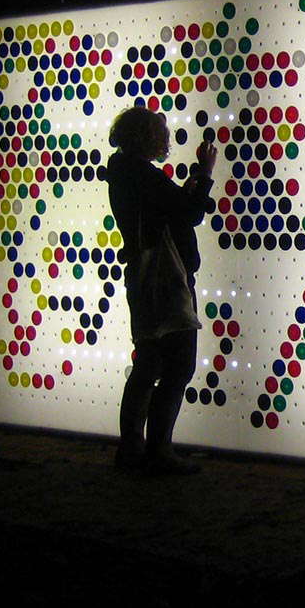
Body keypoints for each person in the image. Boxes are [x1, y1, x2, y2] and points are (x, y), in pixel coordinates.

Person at [106, 106, 216, 475]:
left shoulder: (123, 175)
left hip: (142, 277)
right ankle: (158, 450)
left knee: (149, 362)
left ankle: (132, 448)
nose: (166, 139)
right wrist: (205, 172)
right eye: (160, 132)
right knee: (179, 364)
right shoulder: (145, 177)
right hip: (167, 281)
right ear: (148, 138)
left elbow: (170, 210)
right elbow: (190, 214)